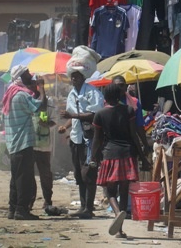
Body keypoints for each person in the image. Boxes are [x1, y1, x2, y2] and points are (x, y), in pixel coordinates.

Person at [92, 83, 145, 238]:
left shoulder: (100, 114)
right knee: (123, 190)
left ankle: (117, 213)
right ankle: (120, 230)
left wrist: (93, 157)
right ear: (119, 96)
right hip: (128, 153)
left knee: (110, 191)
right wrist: (142, 155)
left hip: (110, 154)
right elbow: (134, 134)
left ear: (106, 97)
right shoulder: (128, 110)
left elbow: (97, 139)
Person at [58, 70, 104, 219]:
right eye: (72, 76)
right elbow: (73, 116)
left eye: (76, 76)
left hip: (89, 139)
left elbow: (96, 114)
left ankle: (89, 208)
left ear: (83, 77)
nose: (74, 79)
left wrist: (73, 116)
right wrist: (65, 126)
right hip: (76, 138)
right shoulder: (72, 94)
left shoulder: (92, 92)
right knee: (78, 173)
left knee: (88, 173)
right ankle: (83, 206)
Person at [2, 65, 44, 220]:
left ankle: (13, 209)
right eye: (27, 74)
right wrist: (42, 88)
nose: (30, 75)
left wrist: (36, 90)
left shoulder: (10, 93)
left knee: (16, 177)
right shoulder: (21, 95)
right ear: (20, 77)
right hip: (23, 142)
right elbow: (40, 107)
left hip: (12, 142)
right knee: (24, 179)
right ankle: (21, 210)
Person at [111, 76, 152, 171]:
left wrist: (145, 145)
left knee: (129, 177)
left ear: (126, 86)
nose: (119, 88)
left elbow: (139, 126)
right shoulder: (106, 103)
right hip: (112, 145)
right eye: (116, 86)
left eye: (122, 85)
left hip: (129, 144)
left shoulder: (134, 102)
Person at [26, 76, 55, 212]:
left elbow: (53, 120)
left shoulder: (48, 101)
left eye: (36, 84)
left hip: (43, 144)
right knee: (29, 175)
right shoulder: (26, 99)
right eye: (31, 84)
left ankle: (48, 200)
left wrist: (47, 123)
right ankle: (30, 201)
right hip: (30, 143)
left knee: (45, 174)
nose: (33, 86)